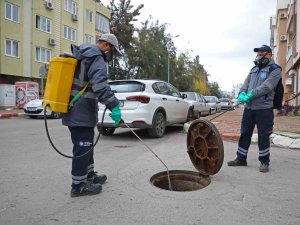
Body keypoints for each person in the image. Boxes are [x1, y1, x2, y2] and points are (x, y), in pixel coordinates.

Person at [62, 33, 122, 197]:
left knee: (86, 145)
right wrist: (114, 105)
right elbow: (100, 87)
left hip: (79, 109)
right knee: (83, 147)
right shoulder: (96, 57)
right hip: (80, 110)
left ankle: (89, 175)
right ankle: (78, 185)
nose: (111, 56)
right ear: (106, 45)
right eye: (112, 51)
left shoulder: (85, 55)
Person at [227, 44, 282, 173]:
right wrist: (241, 93)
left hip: (264, 109)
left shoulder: (275, 70)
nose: (259, 55)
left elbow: (267, 87)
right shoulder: (254, 69)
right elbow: (245, 84)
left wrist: (251, 94)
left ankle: (264, 162)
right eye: (258, 53)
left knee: (264, 135)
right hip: (249, 108)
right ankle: (241, 158)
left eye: (262, 53)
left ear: (269, 54)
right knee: (245, 133)